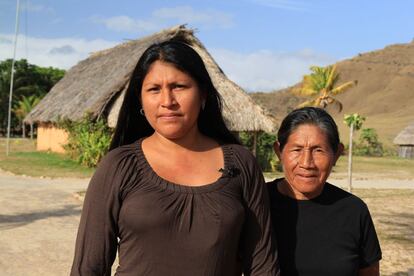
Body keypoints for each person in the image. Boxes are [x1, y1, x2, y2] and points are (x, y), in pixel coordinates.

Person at [70, 40, 279, 276]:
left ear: (203, 95)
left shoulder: (241, 164)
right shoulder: (118, 166)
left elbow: (263, 266)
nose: (167, 101)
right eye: (154, 89)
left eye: (179, 86)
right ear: (140, 100)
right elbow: (89, 268)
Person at [267, 107, 381, 276]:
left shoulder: (354, 211)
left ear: (336, 154)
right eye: (297, 149)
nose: (307, 163)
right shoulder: (258, 204)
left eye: (318, 150)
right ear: (279, 151)